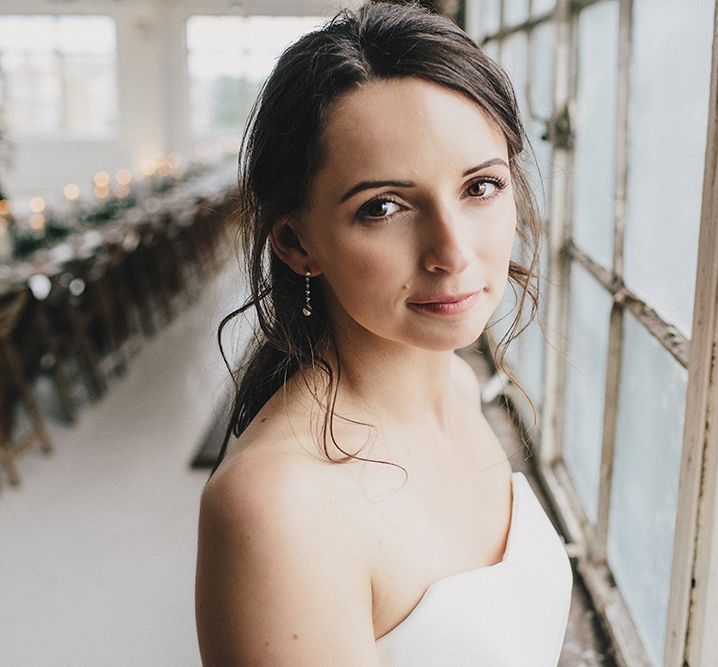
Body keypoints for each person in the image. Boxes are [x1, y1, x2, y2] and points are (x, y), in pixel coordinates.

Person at [195, 2, 573, 664]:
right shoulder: (276, 505)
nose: (451, 252)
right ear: (295, 241)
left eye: (479, 187)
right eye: (384, 207)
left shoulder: (458, 382)